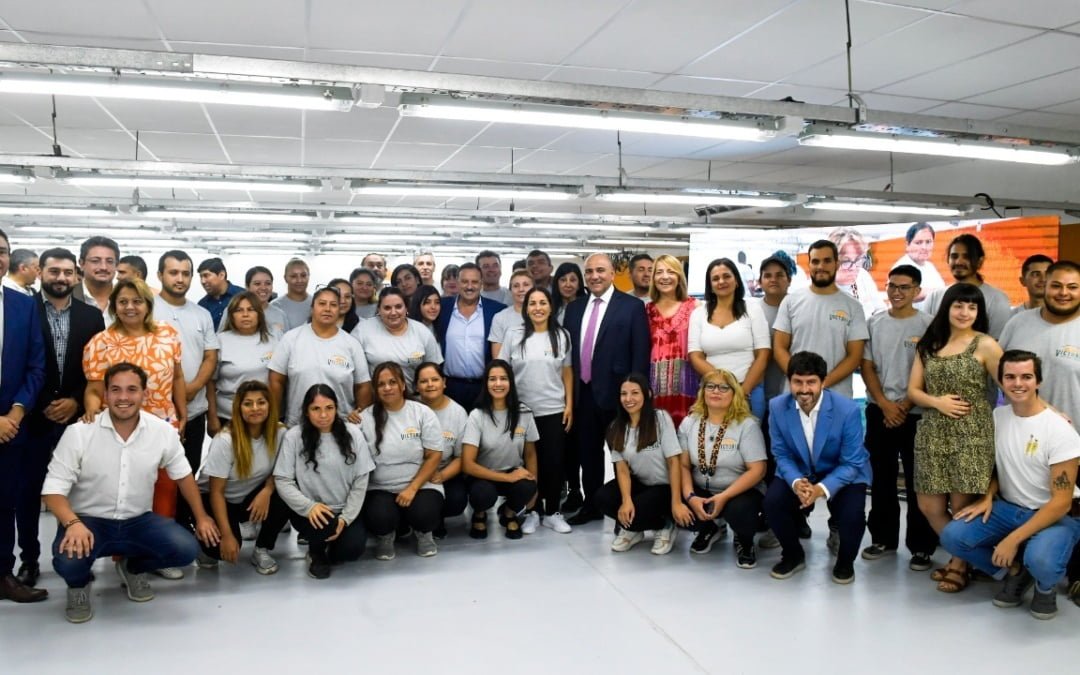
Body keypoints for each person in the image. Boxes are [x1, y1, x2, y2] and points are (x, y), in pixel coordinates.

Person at [42, 363, 220, 623]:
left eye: (132, 390)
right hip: (88, 522)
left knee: (185, 549)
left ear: (144, 394)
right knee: (69, 561)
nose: (123, 397)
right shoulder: (79, 433)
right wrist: (72, 523)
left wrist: (202, 517)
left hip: (138, 521)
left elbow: (183, 476)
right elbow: (52, 490)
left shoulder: (162, 432)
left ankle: (132, 567)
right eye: (115, 390)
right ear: (105, 394)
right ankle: (78, 586)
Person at [941, 350, 1080, 620]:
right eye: (1010, 377)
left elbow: (1061, 502)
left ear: (1038, 381)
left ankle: (1045, 585)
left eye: (1026, 377)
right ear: (1001, 382)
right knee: (952, 536)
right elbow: (1000, 467)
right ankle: (1016, 573)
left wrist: (1012, 540)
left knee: (1042, 561)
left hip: (1055, 515)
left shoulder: (1060, 431)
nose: (1018, 383)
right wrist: (988, 496)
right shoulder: (999, 417)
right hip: (1009, 508)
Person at [15, 249, 104, 592]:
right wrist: (38, 404)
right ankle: (29, 559)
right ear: (39, 273)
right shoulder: (24, 310)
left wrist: (75, 401)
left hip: (76, 418)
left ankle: (79, 554)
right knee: (29, 491)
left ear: (77, 276)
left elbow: (94, 371)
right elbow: (17, 364)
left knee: (79, 491)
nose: (61, 278)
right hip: (32, 416)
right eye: (54, 271)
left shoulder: (91, 316)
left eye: (68, 272)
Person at [907, 282, 1003, 593]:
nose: (965, 312)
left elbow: (1014, 385)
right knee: (929, 505)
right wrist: (937, 402)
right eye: (958, 305)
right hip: (933, 430)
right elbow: (913, 391)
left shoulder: (986, 344)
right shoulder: (929, 344)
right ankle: (968, 557)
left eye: (972, 307)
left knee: (962, 507)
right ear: (946, 308)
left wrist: (1047, 411)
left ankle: (959, 564)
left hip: (971, 434)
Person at [82, 279, 188, 556]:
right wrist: (92, 408)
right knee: (126, 493)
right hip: (120, 432)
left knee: (165, 489)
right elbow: (94, 389)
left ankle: (158, 551)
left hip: (164, 425)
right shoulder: (101, 344)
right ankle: (124, 555)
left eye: (137, 301)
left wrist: (183, 414)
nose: (130, 307)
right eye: (123, 302)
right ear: (114, 306)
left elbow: (177, 377)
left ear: (148, 305)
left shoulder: (167, 334)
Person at [998, 260, 1080, 605]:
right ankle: (1032, 565)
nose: (1064, 293)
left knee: (1072, 508)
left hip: (1074, 439)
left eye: (1072, 287)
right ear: (1043, 285)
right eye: (1057, 285)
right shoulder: (1018, 323)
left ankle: (1074, 577)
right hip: (1028, 439)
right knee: (1036, 504)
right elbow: (1000, 370)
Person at [763, 351, 871, 584]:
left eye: (811, 382)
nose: (804, 389)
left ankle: (845, 561)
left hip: (844, 472)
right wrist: (795, 481)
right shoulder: (777, 407)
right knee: (773, 502)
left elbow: (852, 462)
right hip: (800, 470)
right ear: (789, 380)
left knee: (853, 515)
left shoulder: (848, 410)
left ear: (823, 382)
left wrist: (821, 489)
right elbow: (780, 453)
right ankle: (793, 555)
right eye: (797, 382)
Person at [859, 265, 937, 571]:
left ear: (917, 291)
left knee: (919, 482)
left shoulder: (930, 325)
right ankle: (883, 538)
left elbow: (932, 370)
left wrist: (904, 405)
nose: (897, 292)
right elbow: (867, 367)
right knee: (882, 480)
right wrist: (885, 404)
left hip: (917, 415)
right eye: (892, 286)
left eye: (904, 287)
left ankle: (921, 547)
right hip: (880, 411)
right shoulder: (875, 323)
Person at [563, 253, 650, 525]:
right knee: (588, 454)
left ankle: (629, 509)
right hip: (583, 393)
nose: (594, 276)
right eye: (589, 271)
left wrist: (636, 393)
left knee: (624, 455)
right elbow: (568, 356)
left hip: (619, 395)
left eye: (600, 270)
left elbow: (640, 352)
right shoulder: (574, 308)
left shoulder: (632, 306)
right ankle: (592, 505)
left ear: (613, 273)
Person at [274, 384, 375, 579]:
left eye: (329, 408)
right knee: (324, 528)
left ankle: (330, 545)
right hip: (310, 511)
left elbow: (361, 479)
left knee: (351, 550)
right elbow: (283, 479)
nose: (323, 415)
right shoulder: (294, 436)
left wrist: (345, 518)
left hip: (344, 509)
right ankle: (316, 553)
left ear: (336, 409)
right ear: (306, 411)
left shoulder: (353, 433)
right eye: (316, 409)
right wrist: (309, 507)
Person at [197, 380, 291, 574]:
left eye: (261, 402)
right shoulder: (225, 440)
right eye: (248, 403)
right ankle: (204, 543)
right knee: (219, 550)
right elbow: (216, 493)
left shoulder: (281, 432)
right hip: (217, 499)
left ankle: (262, 549)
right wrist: (227, 535)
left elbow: (282, 470)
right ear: (238, 408)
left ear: (270, 405)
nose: (255, 408)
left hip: (248, 495)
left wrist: (267, 490)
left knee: (286, 495)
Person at [156, 251, 220, 536]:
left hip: (193, 411)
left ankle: (182, 530)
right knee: (155, 479)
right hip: (154, 414)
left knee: (186, 473)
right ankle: (157, 535)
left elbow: (210, 357)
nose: (180, 278)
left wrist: (190, 390)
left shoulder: (201, 314)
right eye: (173, 272)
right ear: (160, 275)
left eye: (185, 273)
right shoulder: (147, 308)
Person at [502, 287, 574, 534]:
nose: (538, 308)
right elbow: (503, 371)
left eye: (543, 302)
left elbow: (567, 372)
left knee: (554, 463)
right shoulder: (514, 334)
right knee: (530, 464)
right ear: (526, 308)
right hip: (521, 411)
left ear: (551, 306)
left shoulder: (561, 335)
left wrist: (570, 405)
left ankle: (553, 511)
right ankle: (533, 511)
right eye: (532, 303)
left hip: (553, 409)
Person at [677, 369, 767, 566]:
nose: (716, 391)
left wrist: (724, 496)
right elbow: (683, 466)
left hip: (740, 491)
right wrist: (691, 497)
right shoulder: (689, 423)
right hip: (702, 489)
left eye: (724, 387)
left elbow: (758, 470)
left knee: (739, 511)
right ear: (703, 392)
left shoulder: (747, 425)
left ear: (734, 394)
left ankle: (744, 540)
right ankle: (710, 528)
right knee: (676, 503)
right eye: (710, 386)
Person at [595, 373, 691, 554]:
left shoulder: (660, 418)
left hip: (665, 487)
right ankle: (634, 530)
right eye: (624, 394)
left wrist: (677, 502)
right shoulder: (616, 426)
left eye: (635, 393)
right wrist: (626, 500)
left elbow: (674, 462)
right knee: (603, 498)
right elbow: (622, 469)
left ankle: (666, 525)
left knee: (638, 511)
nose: (628, 399)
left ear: (647, 394)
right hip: (641, 484)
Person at [0, 231, 47, 605]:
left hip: (11, 424)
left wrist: (15, 412)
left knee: (5, 502)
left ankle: (3, 575)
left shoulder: (22, 304)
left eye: (1, 252)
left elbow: (35, 365)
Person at [359, 362, 445, 560]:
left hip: (420, 485)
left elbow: (434, 455)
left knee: (425, 514)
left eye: (392, 382)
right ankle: (385, 535)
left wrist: (412, 488)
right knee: (380, 517)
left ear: (403, 385)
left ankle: (423, 533)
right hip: (380, 487)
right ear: (375, 388)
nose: (387, 388)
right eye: (381, 384)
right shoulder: (365, 419)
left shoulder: (422, 413)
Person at [773, 239, 868, 400]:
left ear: (836, 264)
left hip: (837, 397)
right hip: (795, 396)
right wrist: (802, 384)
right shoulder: (791, 302)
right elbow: (779, 348)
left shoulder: (853, 306)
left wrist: (821, 384)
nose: (821, 267)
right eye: (815, 261)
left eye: (827, 261)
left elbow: (855, 356)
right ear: (809, 264)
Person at [269, 286, 372, 427]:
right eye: (322, 304)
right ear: (312, 308)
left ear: (339, 310)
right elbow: (276, 380)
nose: (328, 309)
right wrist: (273, 419)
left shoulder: (351, 344)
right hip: (298, 425)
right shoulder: (291, 339)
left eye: (333, 305)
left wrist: (361, 414)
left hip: (342, 425)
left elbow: (363, 385)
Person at [462, 360, 539, 540]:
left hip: (512, 470)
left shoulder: (524, 413)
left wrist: (534, 489)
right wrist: (507, 477)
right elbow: (467, 465)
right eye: (492, 379)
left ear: (511, 382)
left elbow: (530, 453)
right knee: (482, 494)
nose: (498, 384)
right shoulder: (477, 415)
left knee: (528, 486)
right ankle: (479, 513)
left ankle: (509, 513)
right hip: (483, 474)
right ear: (486, 383)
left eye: (503, 379)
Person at [689, 257, 771, 419]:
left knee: (748, 442)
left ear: (737, 281)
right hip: (714, 392)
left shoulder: (753, 309)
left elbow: (763, 355)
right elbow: (695, 356)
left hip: (749, 392)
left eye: (727, 276)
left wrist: (741, 392)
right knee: (715, 442)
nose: (721, 281)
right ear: (710, 286)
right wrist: (724, 385)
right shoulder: (698, 314)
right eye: (715, 278)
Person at [434, 263, 505, 410]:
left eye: (474, 282)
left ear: (481, 283)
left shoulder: (497, 310)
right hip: (450, 387)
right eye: (465, 281)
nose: (469, 286)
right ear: (458, 283)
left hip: (483, 387)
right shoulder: (442, 308)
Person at [207, 292, 279, 436]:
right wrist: (212, 417)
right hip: (228, 416)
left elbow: (279, 381)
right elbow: (210, 383)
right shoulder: (220, 340)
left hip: (264, 416)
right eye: (239, 310)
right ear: (231, 315)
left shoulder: (274, 339)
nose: (245, 314)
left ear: (259, 313)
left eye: (250, 309)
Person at [644, 254, 699, 428]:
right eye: (659, 272)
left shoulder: (695, 307)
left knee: (688, 444)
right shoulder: (646, 310)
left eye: (671, 271)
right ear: (653, 278)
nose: (665, 277)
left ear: (679, 277)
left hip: (688, 388)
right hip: (655, 389)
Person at [415, 361, 469, 538]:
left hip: (444, 471)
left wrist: (441, 476)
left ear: (444, 382)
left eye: (435, 379)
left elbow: (462, 457)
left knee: (456, 500)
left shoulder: (458, 412)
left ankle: (435, 518)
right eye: (424, 381)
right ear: (416, 385)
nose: (430, 385)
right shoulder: (410, 408)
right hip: (412, 473)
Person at [923, 234, 1012, 339]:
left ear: (980, 261)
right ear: (948, 260)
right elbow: (927, 339)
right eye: (954, 256)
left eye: (967, 257)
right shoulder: (934, 296)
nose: (959, 262)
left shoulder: (997, 299)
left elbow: (997, 344)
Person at [354, 287, 442, 392]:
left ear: (406, 308)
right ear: (379, 309)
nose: (393, 312)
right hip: (377, 400)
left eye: (398, 307)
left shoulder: (422, 332)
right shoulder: (363, 330)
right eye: (387, 308)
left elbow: (434, 371)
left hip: (415, 399)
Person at [828, 227, 885, 320]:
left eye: (858, 260)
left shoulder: (863, 276)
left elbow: (880, 310)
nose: (854, 268)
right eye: (846, 261)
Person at [892, 222, 946, 303]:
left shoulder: (930, 266)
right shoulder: (901, 268)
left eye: (928, 242)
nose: (924, 247)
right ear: (907, 245)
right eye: (918, 242)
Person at [489, 269, 533, 359]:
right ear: (510, 290)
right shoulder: (500, 318)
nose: (521, 289)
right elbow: (498, 359)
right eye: (516, 286)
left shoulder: (542, 315)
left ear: (534, 288)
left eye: (526, 285)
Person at [72, 236, 118, 320]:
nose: (103, 267)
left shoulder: (127, 298)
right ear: (81, 264)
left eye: (110, 261)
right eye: (95, 261)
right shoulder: (67, 297)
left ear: (116, 265)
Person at [196, 257, 244, 328]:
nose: (203, 281)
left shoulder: (243, 296)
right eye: (201, 277)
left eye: (206, 275)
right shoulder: (202, 305)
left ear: (221, 275)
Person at [241, 265, 287, 336]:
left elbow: (287, 343)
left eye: (268, 283)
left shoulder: (280, 315)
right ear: (247, 287)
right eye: (257, 284)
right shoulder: (234, 312)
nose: (263, 287)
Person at [270, 258, 312, 331]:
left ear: (309, 276)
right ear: (285, 278)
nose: (299, 280)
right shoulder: (275, 306)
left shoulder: (317, 304)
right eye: (293, 276)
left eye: (303, 275)